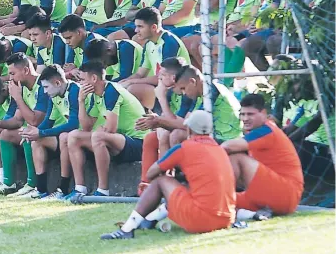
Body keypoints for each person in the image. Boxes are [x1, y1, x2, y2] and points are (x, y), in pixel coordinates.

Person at [102, 110, 236, 239]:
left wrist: (173, 173)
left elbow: (151, 173)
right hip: (226, 219)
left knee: (161, 182)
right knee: (183, 186)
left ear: (189, 129)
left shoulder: (183, 148)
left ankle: (127, 229)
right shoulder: (219, 150)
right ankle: (149, 220)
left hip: (201, 220)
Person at [68, 61, 145, 197]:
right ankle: (80, 189)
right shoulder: (94, 95)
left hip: (138, 142)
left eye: (82, 80)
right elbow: (86, 126)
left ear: (93, 79)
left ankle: (103, 190)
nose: (80, 84)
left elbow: (110, 128)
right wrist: (81, 101)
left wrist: (99, 130)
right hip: (120, 142)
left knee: (98, 136)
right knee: (74, 136)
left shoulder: (111, 91)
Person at [222, 94, 304, 218]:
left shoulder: (267, 130)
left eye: (250, 114)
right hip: (267, 191)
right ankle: (252, 216)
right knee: (220, 201)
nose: (245, 118)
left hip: (285, 194)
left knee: (236, 157)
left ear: (264, 113)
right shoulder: (256, 131)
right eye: (242, 114)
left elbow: (227, 147)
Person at [0, 53, 48, 197]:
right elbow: (17, 120)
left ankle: (32, 184)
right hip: (36, 131)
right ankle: (8, 184)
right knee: (5, 134)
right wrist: (0, 123)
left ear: (25, 70)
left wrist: (17, 97)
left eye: (12, 73)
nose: (10, 78)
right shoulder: (22, 88)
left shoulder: (43, 85)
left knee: (27, 131)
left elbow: (35, 121)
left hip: (51, 133)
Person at [135, 56, 192, 195]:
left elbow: (181, 123)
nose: (159, 79)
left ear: (173, 77)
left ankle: (166, 180)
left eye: (162, 76)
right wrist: (160, 122)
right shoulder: (167, 90)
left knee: (168, 134)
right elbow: (164, 119)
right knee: (151, 139)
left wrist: (161, 98)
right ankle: (145, 185)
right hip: (175, 129)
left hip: (189, 131)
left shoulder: (188, 91)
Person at [23, 65, 80, 199]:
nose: (44, 91)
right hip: (71, 140)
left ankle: (64, 189)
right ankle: (41, 189)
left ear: (57, 83)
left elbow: (73, 124)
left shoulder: (74, 91)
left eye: (46, 87)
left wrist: (41, 133)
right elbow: (48, 121)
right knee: (36, 140)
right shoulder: (54, 96)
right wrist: (33, 132)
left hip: (81, 138)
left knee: (64, 137)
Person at [118, 7, 190, 110]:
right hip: (161, 86)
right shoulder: (148, 44)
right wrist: (121, 83)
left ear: (153, 27)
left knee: (134, 89)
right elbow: (139, 74)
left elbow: (165, 79)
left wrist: (131, 82)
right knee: (121, 89)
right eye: (136, 26)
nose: (136, 30)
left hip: (175, 91)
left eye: (140, 27)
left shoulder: (169, 43)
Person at [172, 65, 242, 145]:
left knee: (177, 135)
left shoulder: (212, 90)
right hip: (215, 137)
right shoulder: (199, 95)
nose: (183, 93)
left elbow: (192, 125)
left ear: (192, 82)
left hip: (229, 139)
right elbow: (187, 121)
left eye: (183, 88)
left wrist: (161, 120)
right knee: (173, 134)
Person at [58, 14, 104, 80]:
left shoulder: (94, 43)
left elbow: (87, 75)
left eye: (69, 38)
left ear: (79, 32)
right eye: (65, 39)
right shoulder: (76, 44)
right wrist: (72, 72)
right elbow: (66, 69)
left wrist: (74, 71)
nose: (67, 42)